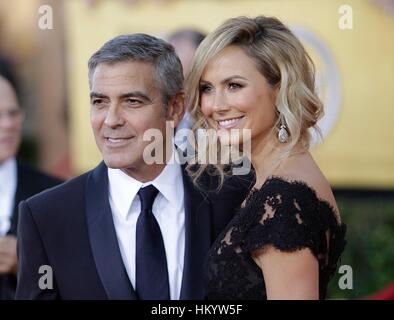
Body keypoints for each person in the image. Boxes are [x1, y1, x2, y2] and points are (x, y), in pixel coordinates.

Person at [15, 34, 252, 300]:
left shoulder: (236, 195)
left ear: (174, 108)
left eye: (132, 101)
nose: (111, 120)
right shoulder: (47, 217)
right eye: (99, 102)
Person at [186, 16, 347, 299]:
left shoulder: (283, 200)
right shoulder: (279, 178)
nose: (216, 105)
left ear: (279, 87)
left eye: (234, 85)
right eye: (206, 88)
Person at [0, 71, 62, 300]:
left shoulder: (53, 194)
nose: (7, 124)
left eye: (13, 113)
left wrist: (26, 265)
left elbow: (76, 281)